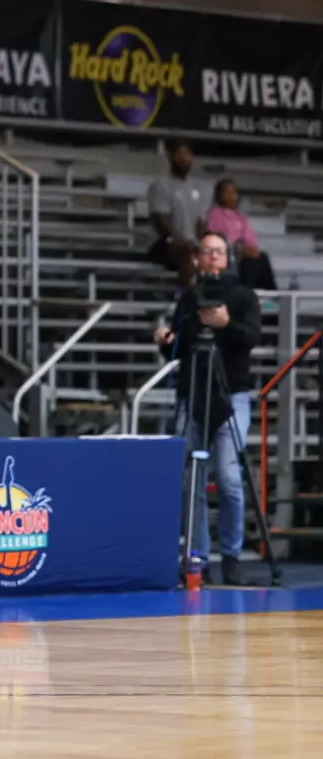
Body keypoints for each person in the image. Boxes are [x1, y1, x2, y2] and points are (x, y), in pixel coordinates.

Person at [153, 230, 260, 586]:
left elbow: (250, 338)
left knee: (229, 478)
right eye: (206, 252)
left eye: (218, 252)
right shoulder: (188, 299)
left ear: (227, 258)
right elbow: (178, 350)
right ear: (198, 258)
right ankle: (198, 558)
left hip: (232, 396)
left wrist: (226, 325)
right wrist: (166, 342)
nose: (212, 257)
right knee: (191, 479)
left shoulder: (243, 296)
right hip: (192, 394)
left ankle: (231, 555)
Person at [147, 140, 212, 289]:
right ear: (170, 157)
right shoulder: (160, 185)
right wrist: (181, 240)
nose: (183, 158)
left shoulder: (198, 188)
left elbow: (200, 223)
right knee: (187, 254)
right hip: (165, 244)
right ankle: (184, 299)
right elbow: (160, 220)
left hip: (191, 243)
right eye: (179, 154)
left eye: (187, 154)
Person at [207, 179, 277, 291]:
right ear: (219, 196)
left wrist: (250, 250)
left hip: (243, 254)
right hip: (229, 256)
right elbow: (218, 238)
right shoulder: (215, 214)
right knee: (250, 263)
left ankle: (272, 296)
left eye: (234, 192)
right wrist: (239, 248)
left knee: (261, 257)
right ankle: (246, 295)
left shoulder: (241, 217)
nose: (231, 196)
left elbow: (250, 239)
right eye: (227, 192)